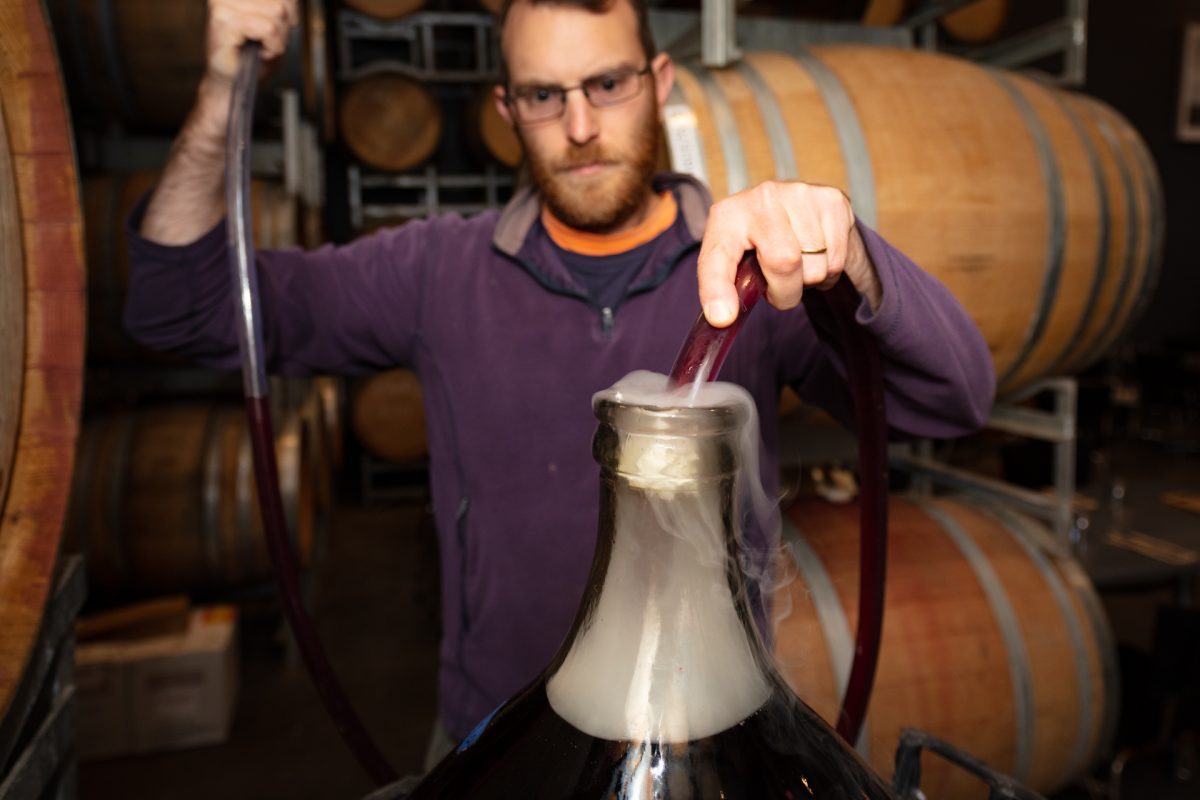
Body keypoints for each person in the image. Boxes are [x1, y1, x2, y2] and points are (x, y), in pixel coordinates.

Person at [124, 0, 996, 769]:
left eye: (608, 83)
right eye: (544, 95)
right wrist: (214, 98)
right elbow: (177, 308)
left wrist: (856, 263)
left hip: (711, 741)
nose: (579, 125)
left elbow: (950, 405)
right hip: (494, 740)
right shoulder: (434, 269)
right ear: (506, 110)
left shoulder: (748, 278)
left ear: (659, 82)